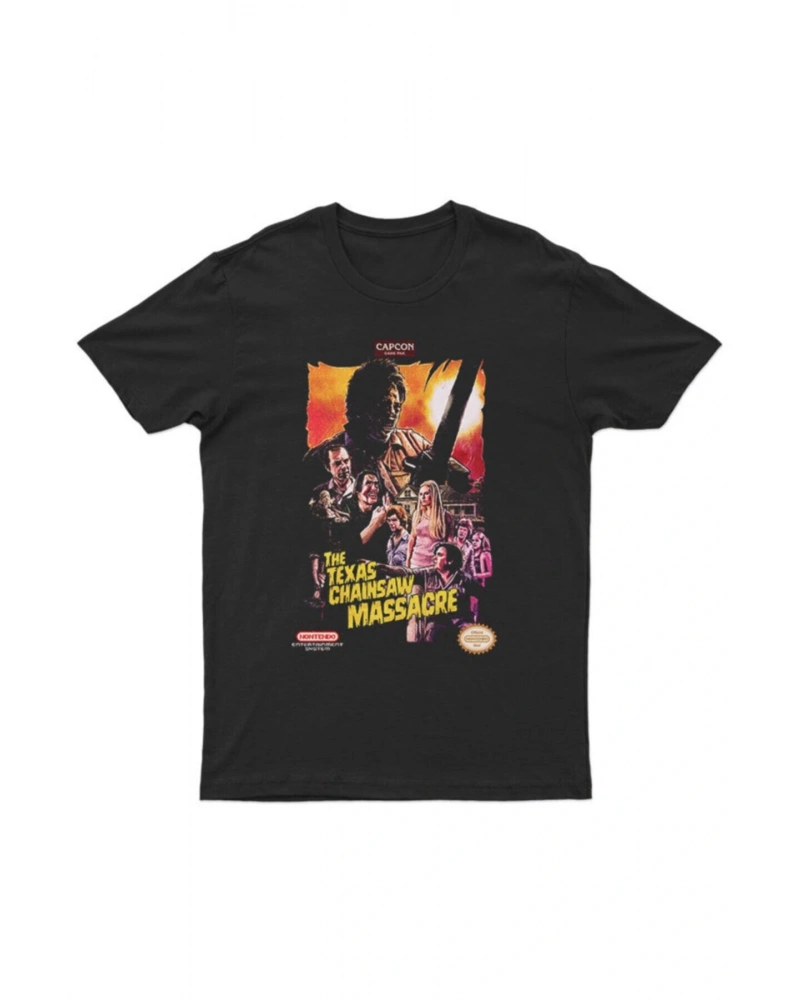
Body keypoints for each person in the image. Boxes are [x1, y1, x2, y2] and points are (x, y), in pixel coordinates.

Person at [304, 358, 470, 497]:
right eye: (383, 405)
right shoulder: (318, 459)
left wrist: (452, 474)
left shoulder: (412, 442)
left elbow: (456, 476)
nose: (391, 414)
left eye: (397, 407)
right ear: (360, 405)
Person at [374, 543, 479, 642]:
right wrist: (382, 567)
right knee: (431, 633)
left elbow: (483, 595)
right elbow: (407, 572)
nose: (434, 558)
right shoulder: (428, 573)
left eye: (439, 555)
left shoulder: (465, 579)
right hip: (437, 622)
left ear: (450, 561)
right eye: (435, 554)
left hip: (460, 621)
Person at [338, 468, 390, 563]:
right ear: (357, 491)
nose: (374, 488)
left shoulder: (381, 510)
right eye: (368, 483)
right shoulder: (346, 510)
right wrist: (375, 523)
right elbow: (351, 548)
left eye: (376, 484)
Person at [406, 480, 454, 569]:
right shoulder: (417, 514)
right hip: (416, 562)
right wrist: (408, 559)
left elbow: (450, 540)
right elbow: (412, 538)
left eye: (426, 493)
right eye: (420, 494)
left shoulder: (445, 516)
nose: (423, 497)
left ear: (434, 495)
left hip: (435, 563)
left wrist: (447, 560)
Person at [310, 444, 355, 508]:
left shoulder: (363, 488)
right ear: (327, 467)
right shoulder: (318, 492)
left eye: (346, 461)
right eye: (337, 463)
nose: (344, 466)